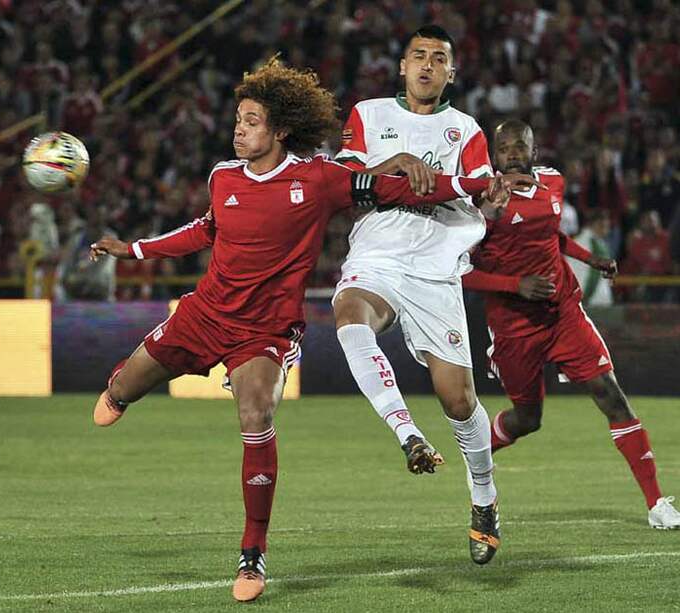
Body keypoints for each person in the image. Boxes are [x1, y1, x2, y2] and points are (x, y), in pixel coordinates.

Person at [89, 59, 527, 603]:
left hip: (264, 331)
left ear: (279, 131)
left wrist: (476, 184)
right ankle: (121, 388)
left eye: (251, 122)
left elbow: (398, 190)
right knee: (121, 391)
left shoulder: (318, 178)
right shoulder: (223, 176)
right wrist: (132, 249)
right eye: (238, 120)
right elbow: (204, 230)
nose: (239, 130)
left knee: (257, 415)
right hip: (204, 315)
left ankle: (253, 554)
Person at [334, 25, 502, 565]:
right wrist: (397, 162)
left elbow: (480, 187)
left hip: (435, 266)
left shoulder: (465, 129)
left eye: (438, 58)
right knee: (349, 313)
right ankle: (407, 434)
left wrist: (490, 193)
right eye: (419, 56)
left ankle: (484, 497)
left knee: (459, 401)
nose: (427, 65)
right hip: (378, 255)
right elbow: (343, 182)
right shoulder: (369, 114)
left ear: (451, 72)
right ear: (403, 66)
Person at [463, 119, 680, 529]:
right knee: (528, 420)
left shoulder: (553, 182)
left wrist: (588, 258)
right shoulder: (481, 202)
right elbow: (459, 271)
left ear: (534, 151)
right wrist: (515, 285)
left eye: (519, 146)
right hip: (514, 328)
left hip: (563, 314)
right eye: (504, 147)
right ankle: (477, 456)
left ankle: (656, 504)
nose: (512, 153)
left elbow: (550, 234)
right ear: (493, 155)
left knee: (611, 396)